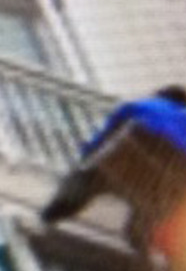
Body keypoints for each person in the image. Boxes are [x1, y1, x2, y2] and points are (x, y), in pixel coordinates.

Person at [41, 85, 186, 241]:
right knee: (156, 203)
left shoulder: (146, 104)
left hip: (131, 151)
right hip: (168, 172)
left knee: (89, 175)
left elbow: (106, 134)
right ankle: (139, 235)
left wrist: (86, 155)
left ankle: (56, 211)